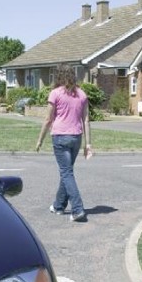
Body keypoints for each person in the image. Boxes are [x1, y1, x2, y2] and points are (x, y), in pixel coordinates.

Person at [35, 64, 93, 222]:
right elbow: (86, 120)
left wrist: (40, 140)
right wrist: (88, 144)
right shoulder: (82, 94)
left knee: (66, 173)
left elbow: (48, 119)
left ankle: (77, 209)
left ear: (58, 76)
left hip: (60, 137)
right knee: (66, 172)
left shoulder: (55, 93)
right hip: (76, 138)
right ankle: (58, 206)